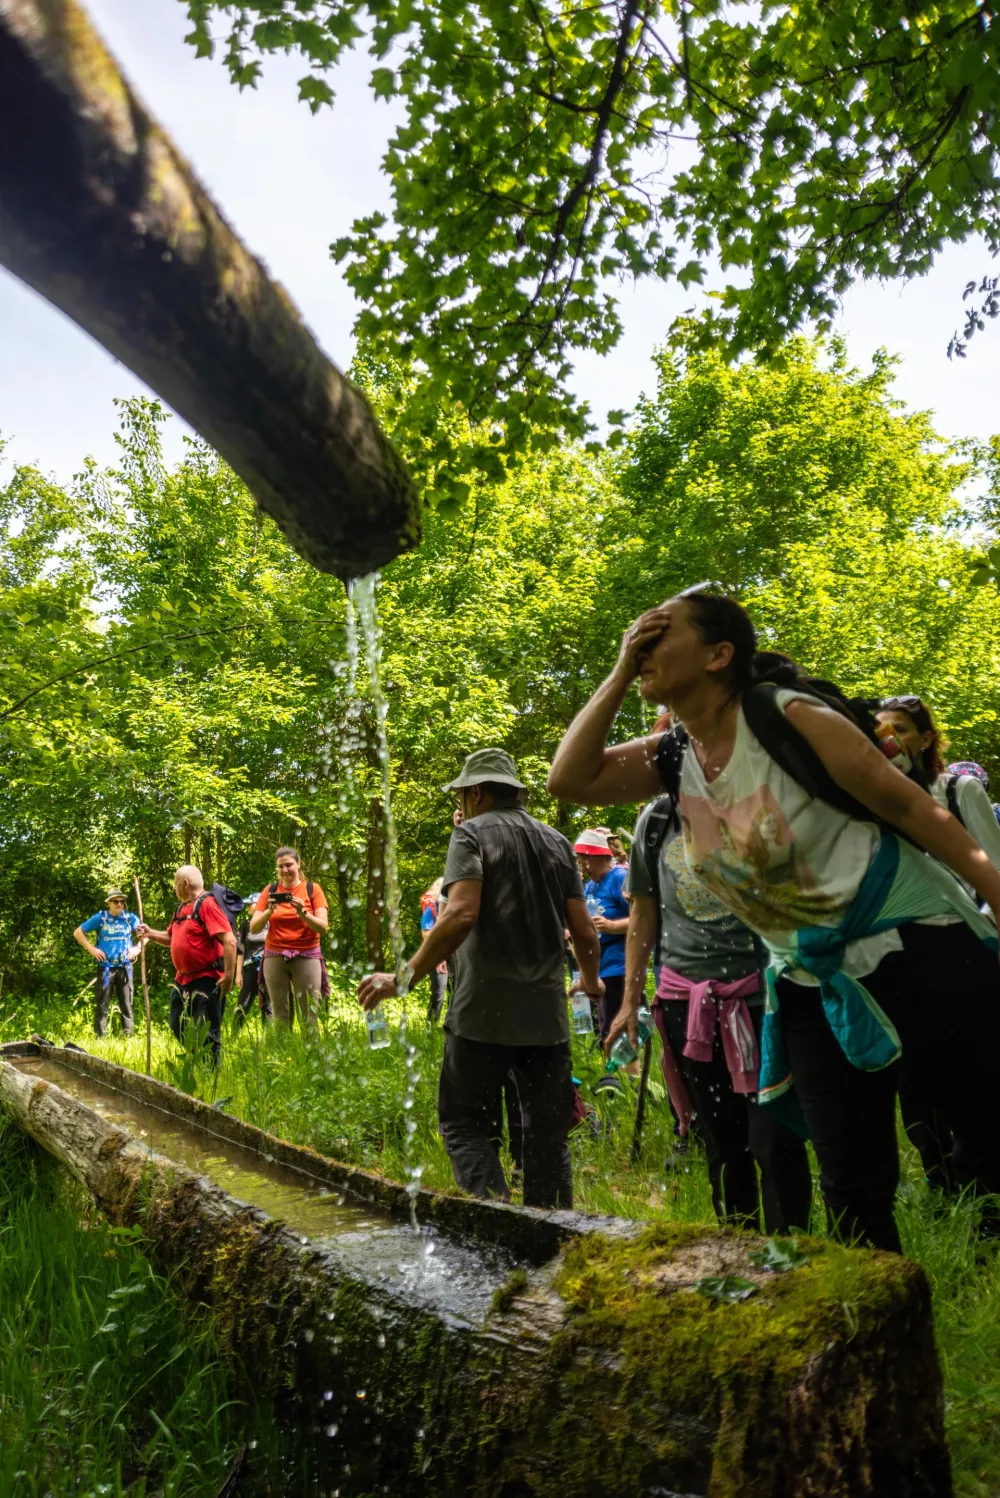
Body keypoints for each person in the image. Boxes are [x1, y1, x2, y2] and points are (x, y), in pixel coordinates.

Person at [548, 589, 1000, 1254]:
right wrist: (619, 672)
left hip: (921, 947)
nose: (641, 643)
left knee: (988, 1141)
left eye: (658, 634)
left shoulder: (784, 715)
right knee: (850, 1185)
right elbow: (570, 779)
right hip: (809, 981)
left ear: (718, 654)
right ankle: (874, 1336)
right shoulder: (674, 757)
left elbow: (914, 811)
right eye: (636, 637)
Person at [358, 748, 603, 1209]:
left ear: (475, 793)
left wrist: (402, 979)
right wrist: (591, 981)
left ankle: (493, 1225)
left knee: (465, 1124)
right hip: (546, 1016)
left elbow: (460, 914)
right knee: (546, 1137)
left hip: (480, 1014)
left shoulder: (470, 834)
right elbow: (585, 930)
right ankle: (550, 1246)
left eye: (462, 795)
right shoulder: (556, 842)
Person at [626, 800, 812, 1233]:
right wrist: (628, 1002)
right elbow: (643, 912)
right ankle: (737, 1254)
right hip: (688, 1006)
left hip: (768, 1001)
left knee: (776, 1141)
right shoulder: (656, 822)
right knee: (723, 1144)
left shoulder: (761, 804)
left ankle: (790, 1257)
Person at [138, 866, 237, 1064]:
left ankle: (209, 1073)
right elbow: (171, 936)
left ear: (185, 883)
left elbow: (230, 940)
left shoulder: (207, 905)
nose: (174, 888)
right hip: (182, 980)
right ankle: (197, 1059)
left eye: (175, 883)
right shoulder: (182, 908)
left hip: (207, 980)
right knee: (176, 1024)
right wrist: (150, 933)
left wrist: (228, 975)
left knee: (207, 1032)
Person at [249, 847, 329, 1027]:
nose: (285, 870)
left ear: (298, 864)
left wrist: (303, 913)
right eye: (280, 867)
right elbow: (254, 927)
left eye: (289, 865)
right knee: (280, 1017)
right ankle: (283, 1054)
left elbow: (323, 928)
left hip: (306, 955)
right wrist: (268, 911)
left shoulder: (312, 889)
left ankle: (311, 1054)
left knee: (310, 1016)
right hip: (274, 956)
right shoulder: (269, 890)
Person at [573, 829, 629, 1041]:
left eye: (585, 856)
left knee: (615, 1031)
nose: (583, 862)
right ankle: (614, 1073)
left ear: (599, 856)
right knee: (602, 1029)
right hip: (597, 968)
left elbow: (645, 920)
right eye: (580, 857)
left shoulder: (619, 878)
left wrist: (612, 927)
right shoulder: (590, 887)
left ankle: (625, 1072)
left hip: (619, 967)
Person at [73, 888, 140, 1038]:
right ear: (109, 903)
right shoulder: (100, 918)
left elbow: (146, 934)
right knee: (102, 1003)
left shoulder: (130, 919)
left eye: (122, 901)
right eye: (116, 901)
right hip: (106, 968)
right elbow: (78, 932)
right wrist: (91, 949)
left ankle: (128, 1036)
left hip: (124, 967)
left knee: (127, 1004)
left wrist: (137, 949)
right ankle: (100, 1036)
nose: (120, 904)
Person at [233, 894, 273, 1028]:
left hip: (268, 967)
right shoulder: (245, 925)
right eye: (248, 904)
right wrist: (238, 974)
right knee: (243, 1003)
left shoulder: (270, 923)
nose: (249, 906)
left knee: (268, 1004)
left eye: (252, 903)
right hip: (250, 968)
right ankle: (233, 1035)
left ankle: (268, 1039)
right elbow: (241, 951)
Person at [420, 877, 449, 1022]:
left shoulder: (452, 911)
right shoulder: (431, 911)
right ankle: (430, 1028)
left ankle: (451, 1026)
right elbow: (426, 935)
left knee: (456, 992)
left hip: (453, 956)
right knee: (438, 993)